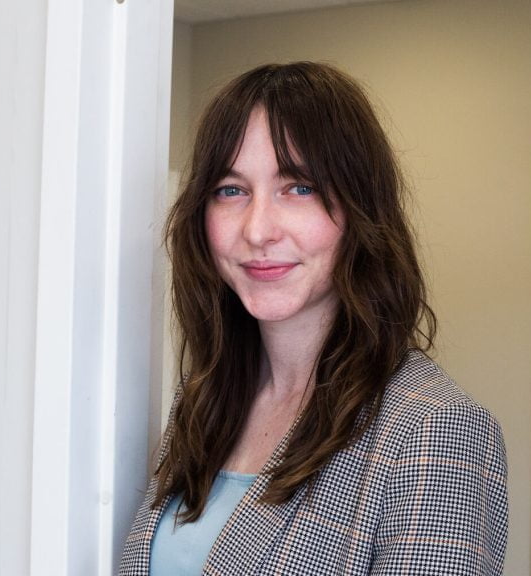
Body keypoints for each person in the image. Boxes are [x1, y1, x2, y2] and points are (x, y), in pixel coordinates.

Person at [119, 62, 508, 576]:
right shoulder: (203, 399)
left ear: (361, 210)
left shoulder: (432, 431)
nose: (258, 230)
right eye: (231, 190)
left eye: (298, 187)